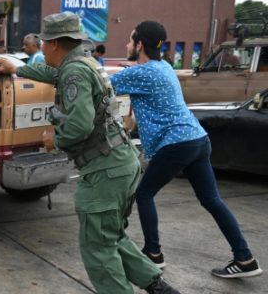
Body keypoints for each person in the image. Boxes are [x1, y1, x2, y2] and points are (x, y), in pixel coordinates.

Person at [0, 12, 187, 294]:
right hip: (120, 161)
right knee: (111, 237)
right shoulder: (82, 64)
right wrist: (18, 68)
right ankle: (161, 293)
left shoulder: (74, 73)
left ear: (52, 43)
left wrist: (55, 139)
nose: (42, 45)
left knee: (96, 243)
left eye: (43, 41)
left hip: (104, 168)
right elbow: (54, 75)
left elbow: (80, 124)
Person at [109, 20, 263, 279]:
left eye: (129, 39)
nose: (126, 44)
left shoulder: (141, 73)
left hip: (176, 143)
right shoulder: (165, 67)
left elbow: (101, 84)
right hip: (198, 140)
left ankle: (153, 254)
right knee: (211, 200)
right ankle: (245, 258)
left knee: (144, 194)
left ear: (139, 44)